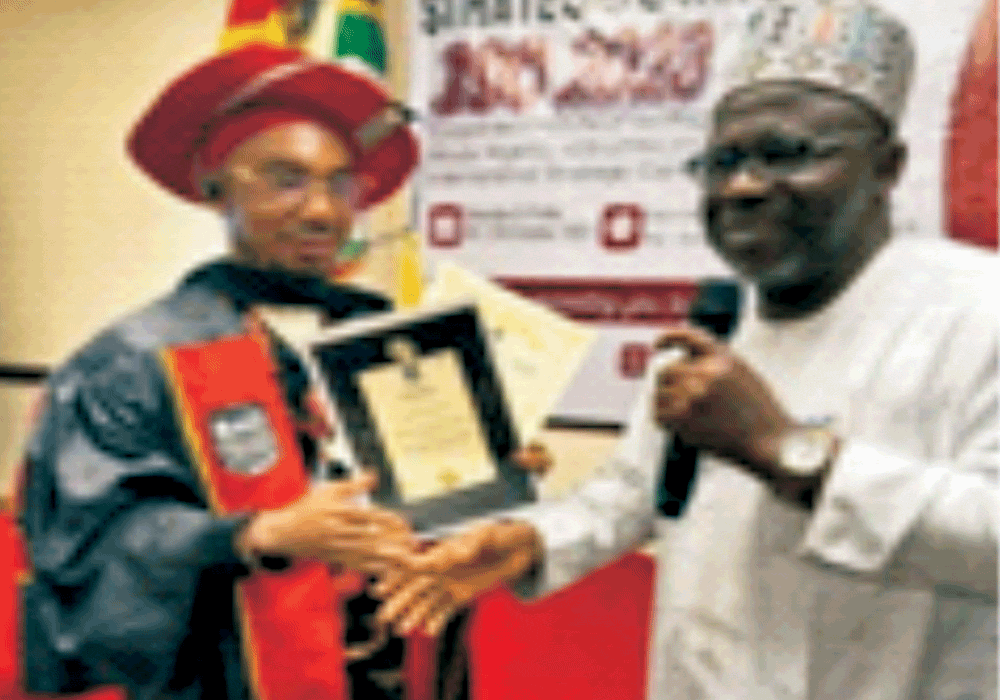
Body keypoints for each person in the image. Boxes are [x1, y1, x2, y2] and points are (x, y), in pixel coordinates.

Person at [374, 3, 999, 699]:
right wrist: (531, 540)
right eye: (723, 162)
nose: (743, 186)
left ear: (888, 166)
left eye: (787, 154)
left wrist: (790, 454)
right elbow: (633, 494)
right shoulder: (719, 323)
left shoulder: (981, 310)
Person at [14, 45, 546, 700]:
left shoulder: (386, 335)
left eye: (341, 184)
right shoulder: (134, 361)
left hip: (390, 670)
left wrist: (490, 474)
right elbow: (82, 546)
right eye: (285, 179)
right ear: (216, 190)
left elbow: (429, 512)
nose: (323, 211)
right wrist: (256, 534)